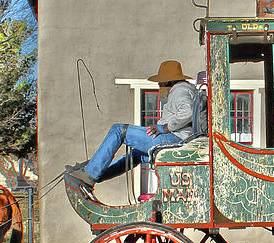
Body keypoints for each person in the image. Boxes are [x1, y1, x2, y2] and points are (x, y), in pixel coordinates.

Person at [65, 60, 198, 188]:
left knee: (118, 130)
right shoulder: (186, 90)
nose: (159, 87)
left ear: (169, 81)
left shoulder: (180, 90)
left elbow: (188, 111)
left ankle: (90, 174)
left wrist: (165, 127)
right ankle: (98, 175)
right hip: (178, 139)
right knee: (136, 155)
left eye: (160, 84)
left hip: (174, 139)